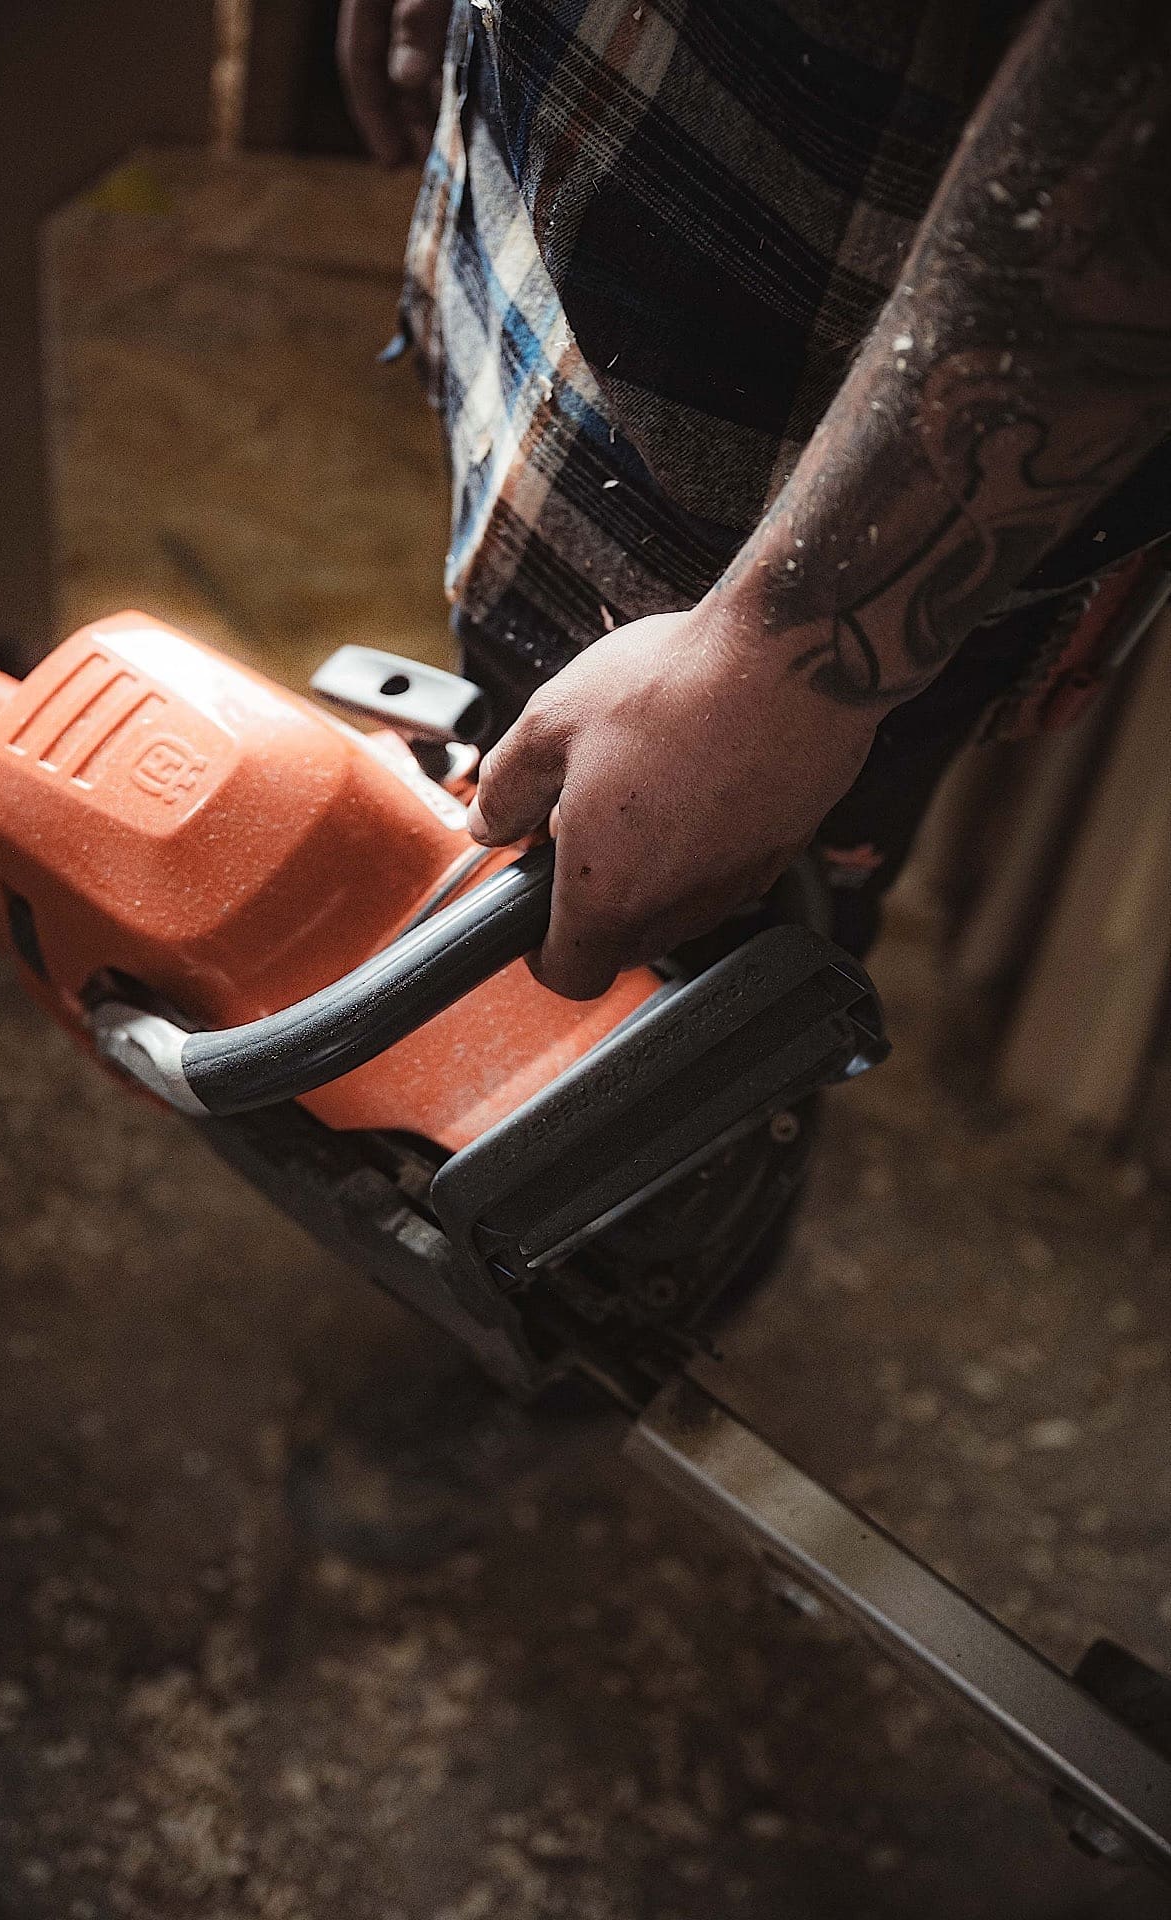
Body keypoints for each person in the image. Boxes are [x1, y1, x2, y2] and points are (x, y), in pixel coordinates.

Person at [295, 0, 1170, 1558]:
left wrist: (793, 649)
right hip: (615, 235)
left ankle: (576, 1354)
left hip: (820, 491)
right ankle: (477, 1189)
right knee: (526, 860)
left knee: (693, 996)